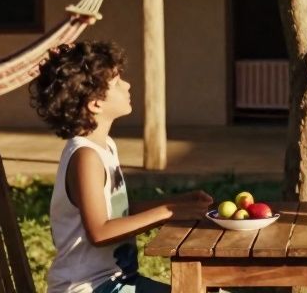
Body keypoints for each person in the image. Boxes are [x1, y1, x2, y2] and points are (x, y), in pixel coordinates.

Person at [30, 41, 212, 293]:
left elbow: (118, 213)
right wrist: (169, 211)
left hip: (117, 282)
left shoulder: (105, 147)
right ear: (95, 103)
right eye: (116, 83)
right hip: (90, 288)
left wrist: (180, 203)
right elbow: (100, 231)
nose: (127, 85)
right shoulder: (85, 157)